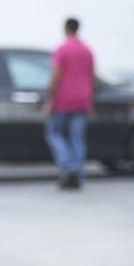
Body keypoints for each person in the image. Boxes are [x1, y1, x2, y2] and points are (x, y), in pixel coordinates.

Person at [43, 17, 95, 190]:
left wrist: (50, 99)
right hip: (82, 100)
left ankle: (68, 167)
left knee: (54, 133)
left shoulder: (62, 49)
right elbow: (92, 76)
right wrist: (90, 100)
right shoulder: (87, 50)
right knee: (78, 138)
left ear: (65, 29)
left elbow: (56, 75)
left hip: (63, 100)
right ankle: (78, 173)